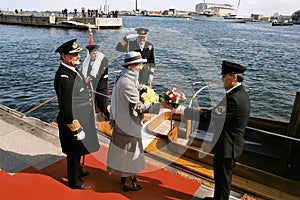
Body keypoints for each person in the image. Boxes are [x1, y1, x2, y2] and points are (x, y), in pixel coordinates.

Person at [175, 60, 250, 200]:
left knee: (223, 180)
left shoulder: (233, 99)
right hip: (231, 144)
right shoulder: (241, 93)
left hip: (227, 146)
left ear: (233, 77)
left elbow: (210, 116)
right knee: (222, 178)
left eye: (224, 76)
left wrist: (181, 110)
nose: (221, 79)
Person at [107, 51, 160, 192]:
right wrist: (157, 107)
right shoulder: (128, 82)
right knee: (129, 152)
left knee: (125, 151)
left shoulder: (125, 77)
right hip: (127, 124)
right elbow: (137, 106)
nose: (142, 66)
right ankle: (128, 183)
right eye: (140, 64)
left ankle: (126, 177)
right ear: (132, 66)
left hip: (122, 120)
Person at [54, 39, 100, 189]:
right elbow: (66, 107)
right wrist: (76, 128)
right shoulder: (64, 77)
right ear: (64, 56)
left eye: (78, 53)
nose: (78, 56)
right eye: (74, 54)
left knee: (79, 149)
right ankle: (74, 182)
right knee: (73, 152)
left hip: (82, 116)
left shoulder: (72, 71)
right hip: (74, 120)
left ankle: (78, 170)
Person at [82, 43, 110, 120]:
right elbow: (84, 71)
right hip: (90, 86)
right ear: (89, 54)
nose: (95, 55)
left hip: (101, 86)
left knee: (102, 105)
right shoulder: (87, 61)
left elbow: (102, 72)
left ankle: (109, 119)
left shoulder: (103, 60)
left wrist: (90, 78)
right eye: (93, 53)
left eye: (96, 53)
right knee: (91, 104)